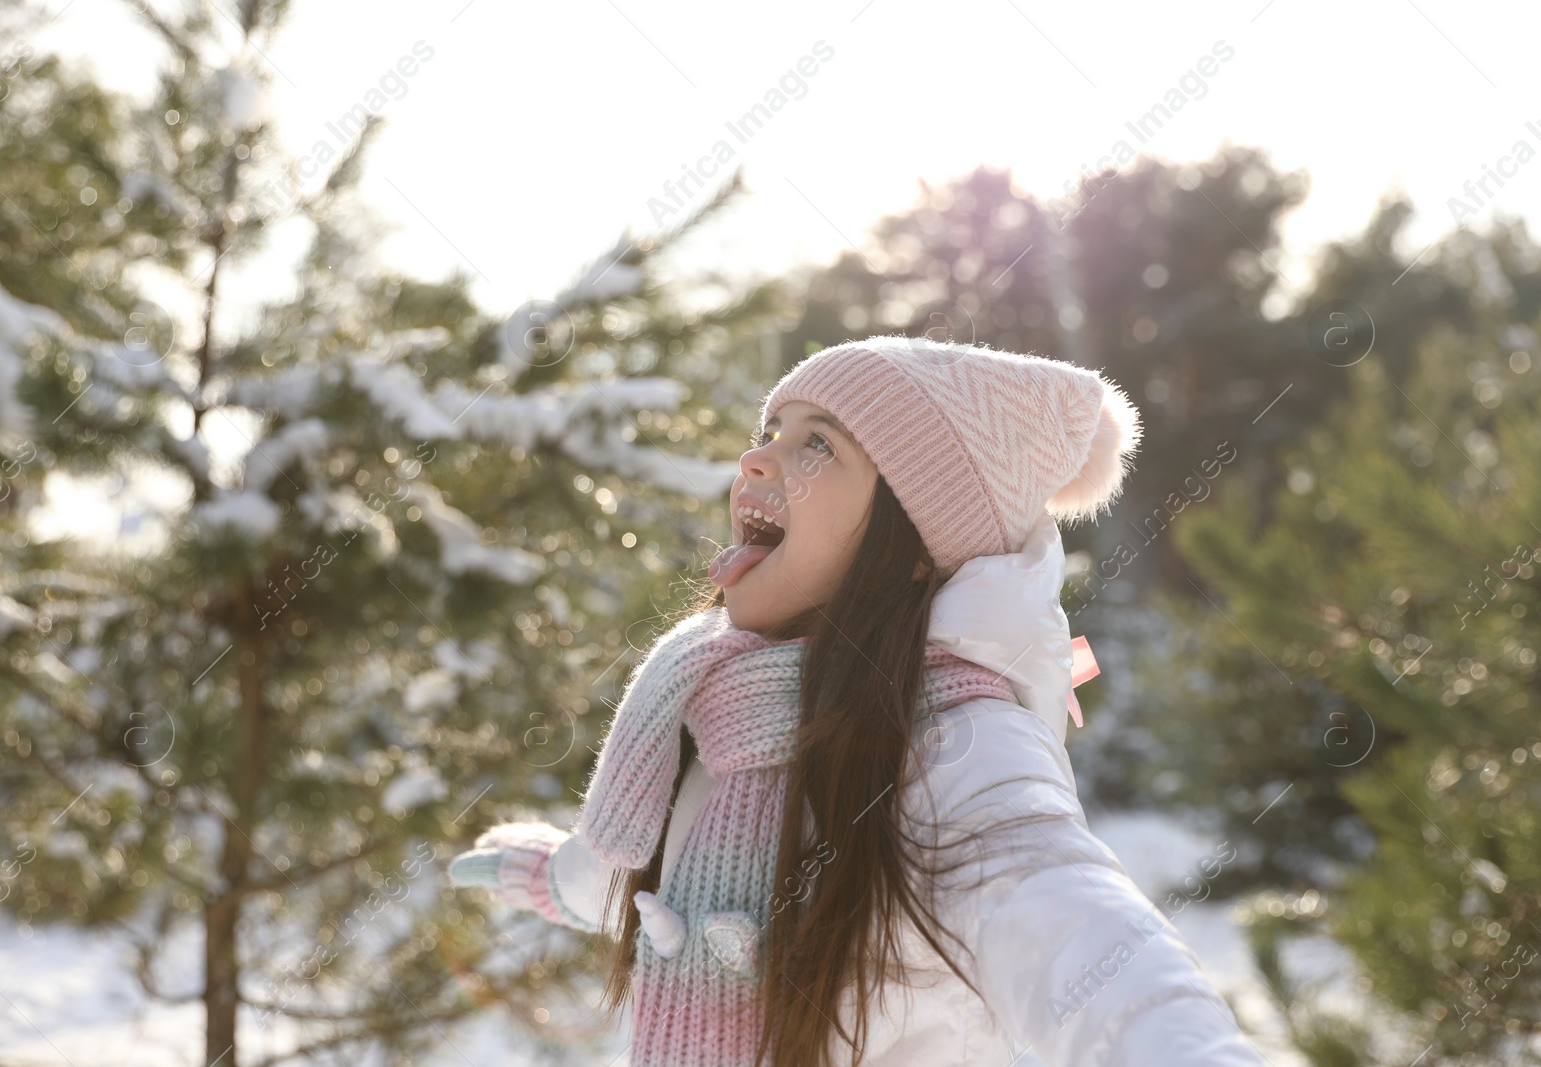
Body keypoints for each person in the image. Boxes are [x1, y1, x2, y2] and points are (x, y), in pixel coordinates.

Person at [449, 336, 1267, 1066]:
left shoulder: (954, 740)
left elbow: (1081, 940)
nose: (755, 461)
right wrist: (549, 877)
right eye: (769, 433)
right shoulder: (718, 707)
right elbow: (636, 864)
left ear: (914, 547)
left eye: (817, 445)